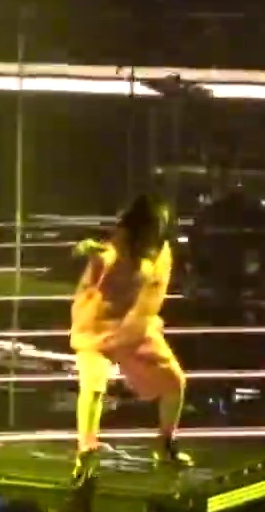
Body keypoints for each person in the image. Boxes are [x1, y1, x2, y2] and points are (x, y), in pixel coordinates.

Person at [68, 194, 191, 487]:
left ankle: (166, 444)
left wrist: (146, 319)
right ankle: (85, 453)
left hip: (134, 326)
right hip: (97, 325)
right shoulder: (120, 244)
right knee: (93, 387)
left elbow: (153, 288)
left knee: (174, 383)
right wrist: (93, 253)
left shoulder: (161, 251)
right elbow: (106, 257)